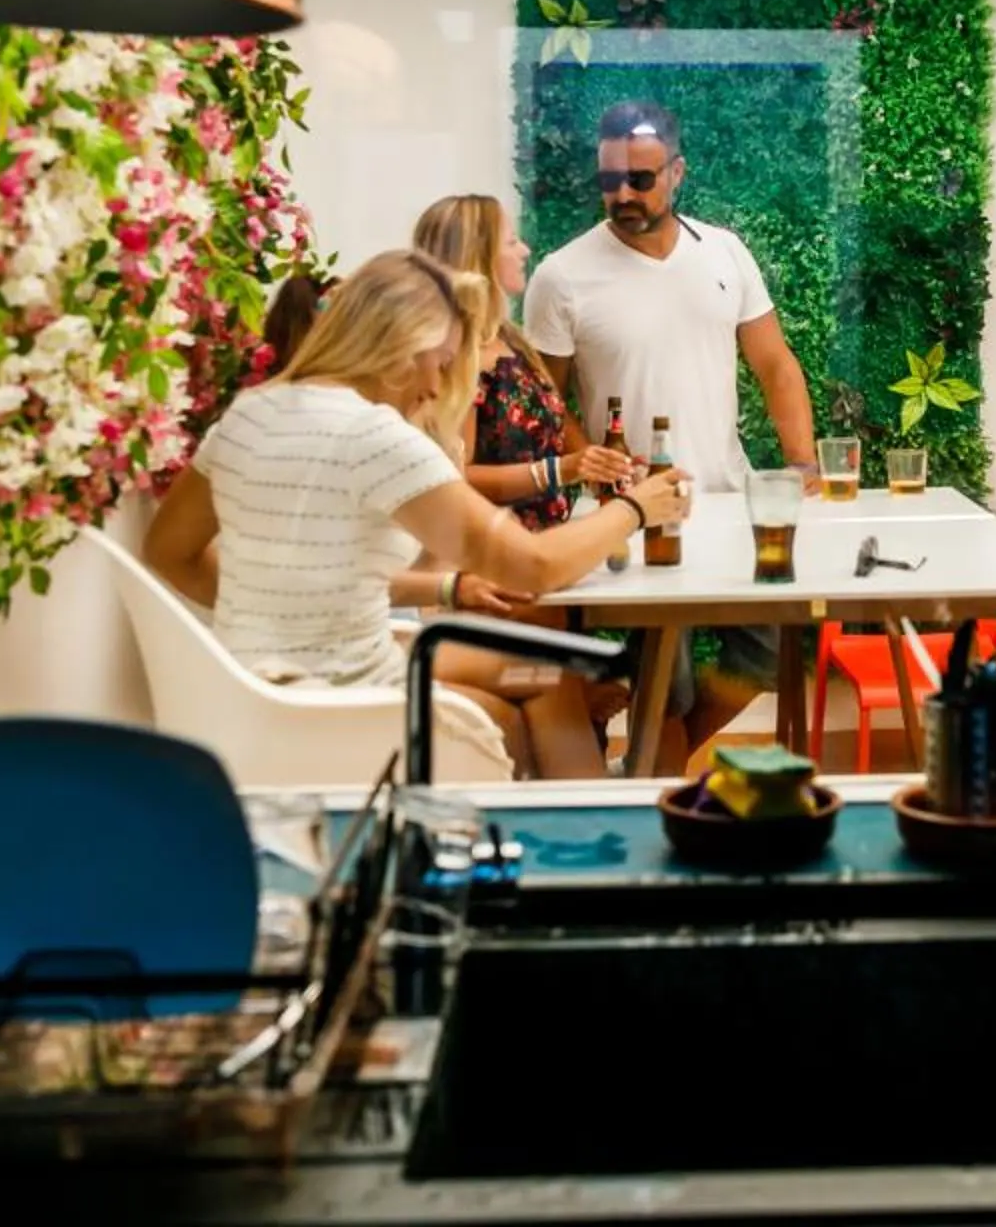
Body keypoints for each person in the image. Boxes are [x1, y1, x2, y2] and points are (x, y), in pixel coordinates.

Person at [145, 248, 688, 780]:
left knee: (546, 678)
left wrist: (280, 607)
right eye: (442, 363)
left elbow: (167, 551)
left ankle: (567, 832)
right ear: (405, 348)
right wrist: (636, 508)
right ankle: (580, 847)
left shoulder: (251, 412)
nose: (435, 387)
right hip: (348, 700)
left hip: (250, 691)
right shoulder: (377, 438)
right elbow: (535, 566)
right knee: (531, 698)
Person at [521, 99, 817, 757]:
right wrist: (600, 473)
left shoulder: (726, 253)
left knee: (771, 653)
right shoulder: (562, 276)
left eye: (641, 179)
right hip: (635, 511)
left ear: (677, 172)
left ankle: (662, 758)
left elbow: (774, 362)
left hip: (724, 496)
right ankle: (655, 776)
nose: (621, 193)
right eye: (608, 180)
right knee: (667, 675)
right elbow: (547, 399)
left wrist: (803, 464)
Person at [412, 195, 634, 528]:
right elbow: (453, 479)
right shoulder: (455, 355)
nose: (525, 251)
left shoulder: (509, 340)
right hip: (496, 557)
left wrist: (599, 466)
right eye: (512, 242)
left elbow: (554, 420)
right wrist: (561, 469)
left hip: (542, 544)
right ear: (478, 256)